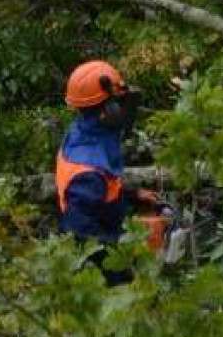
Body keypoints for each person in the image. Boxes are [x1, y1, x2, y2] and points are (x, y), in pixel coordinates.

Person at [57, 60, 162, 279]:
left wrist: (131, 196)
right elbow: (80, 232)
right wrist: (129, 250)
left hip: (105, 221)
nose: (123, 107)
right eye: (117, 102)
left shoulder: (85, 131)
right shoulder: (89, 172)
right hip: (99, 266)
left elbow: (103, 190)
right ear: (108, 110)